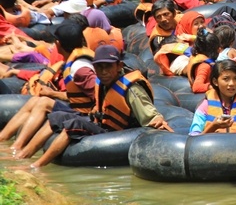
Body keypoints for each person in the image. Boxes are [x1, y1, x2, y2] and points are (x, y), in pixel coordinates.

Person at [28, 45, 172, 168]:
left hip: (122, 136)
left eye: (108, 66)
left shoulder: (131, 89)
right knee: (58, 116)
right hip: (105, 127)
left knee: (73, 124)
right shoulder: (103, 82)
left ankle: (36, 166)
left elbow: (151, 117)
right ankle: (22, 155)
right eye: (99, 67)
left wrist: (159, 122)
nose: (104, 71)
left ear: (119, 66)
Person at [0, 22, 96, 157]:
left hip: (85, 115)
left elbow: (97, 96)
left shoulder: (81, 68)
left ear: (58, 44)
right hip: (77, 107)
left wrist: (52, 93)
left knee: (43, 103)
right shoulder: (71, 62)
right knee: (36, 101)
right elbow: (77, 93)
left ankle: (17, 149)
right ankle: (4, 141)